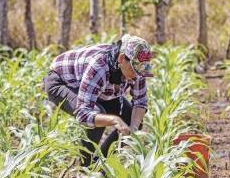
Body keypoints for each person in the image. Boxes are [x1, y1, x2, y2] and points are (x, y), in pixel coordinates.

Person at [43, 34, 153, 166]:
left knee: (131, 118)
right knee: (96, 114)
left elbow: (140, 101)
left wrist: (134, 127)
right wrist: (114, 120)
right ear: (121, 58)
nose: (137, 74)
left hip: (97, 88)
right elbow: (84, 114)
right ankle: (85, 168)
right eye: (134, 69)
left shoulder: (137, 68)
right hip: (63, 82)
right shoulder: (99, 66)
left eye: (141, 70)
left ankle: (101, 163)